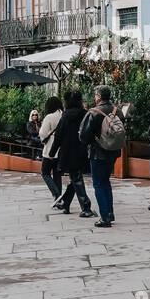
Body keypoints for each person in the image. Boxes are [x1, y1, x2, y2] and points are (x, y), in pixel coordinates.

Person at [81, 85, 122, 228]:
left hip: (98, 152)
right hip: (114, 151)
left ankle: (105, 217)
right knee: (106, 181)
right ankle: (109, 212)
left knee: (99, 183)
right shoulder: (117, 110)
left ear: (98, 96)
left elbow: (83, 135)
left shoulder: (93, 112)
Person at [51, 89, 94, 218]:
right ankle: (66, 202)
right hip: (82, 150)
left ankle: (86, 207)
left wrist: (53, 151)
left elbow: (58, 135)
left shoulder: (66, 115)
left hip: (68, 152)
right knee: (75, 177)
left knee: (76, 177)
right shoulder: (85, 114)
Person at [38, 96, 64, 205]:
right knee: (57, 174)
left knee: (45, 173)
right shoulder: (64, 115)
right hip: (61, 149)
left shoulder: (49, 117)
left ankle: (57, 194)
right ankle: (59, 199)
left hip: (50, 149)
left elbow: (43, 133)